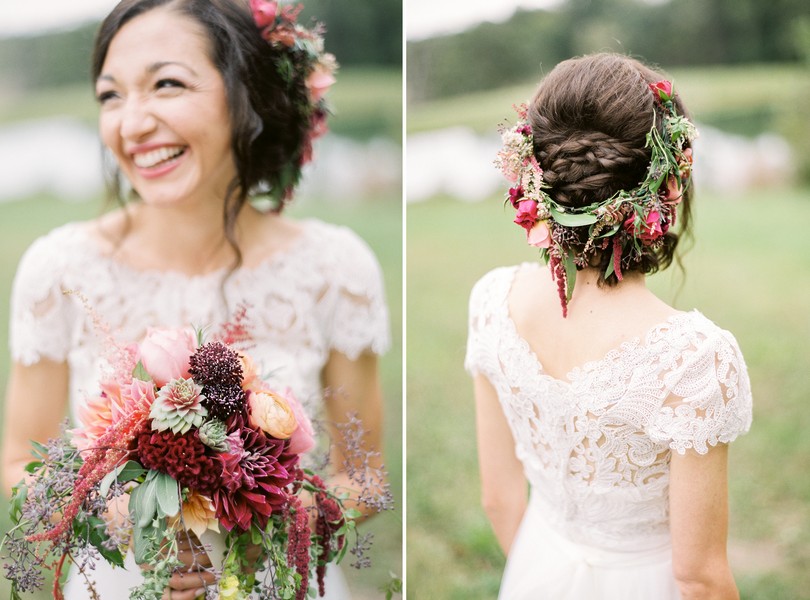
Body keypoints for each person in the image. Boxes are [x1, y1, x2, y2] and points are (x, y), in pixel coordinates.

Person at [1, 0, 390, 599]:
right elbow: (13, 470)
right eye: (111, 95)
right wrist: (114, 518)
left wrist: (268, 526)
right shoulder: (58, 271)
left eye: (167, 84)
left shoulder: (335, 269)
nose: (131, 125)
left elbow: (364, 477)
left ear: (250, 95)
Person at [466, 53, 752, 600]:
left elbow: (498, 500)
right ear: (666, 185)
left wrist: (541, 573)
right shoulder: (694, 358)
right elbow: (700, 579)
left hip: (534, 568)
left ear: (535, 177)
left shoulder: (492, 301)